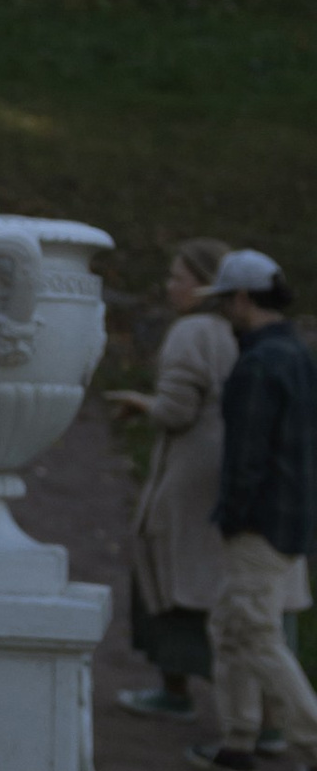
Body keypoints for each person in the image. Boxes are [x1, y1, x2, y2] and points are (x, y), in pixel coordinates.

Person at [191, 250, 317, 771]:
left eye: (225, 302)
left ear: (243, 300)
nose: (224, 314)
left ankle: (313, 749)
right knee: (229, 623)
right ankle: (238, 739)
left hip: (260, 524)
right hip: (288, 518)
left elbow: (245, 458)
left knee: (258, 635)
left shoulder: (259, 365)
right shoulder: (296, 354)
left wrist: (234, 518)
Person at [105, 239, 237, 716]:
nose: (169, 286)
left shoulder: (192, 332)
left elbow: (178, 412)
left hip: (187, 474)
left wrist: (143, 405)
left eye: (177, 277)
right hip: (226, 470)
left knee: (170, 569)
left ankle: (175, 689)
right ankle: (253, 709)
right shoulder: (240, 331)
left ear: (204, 284)